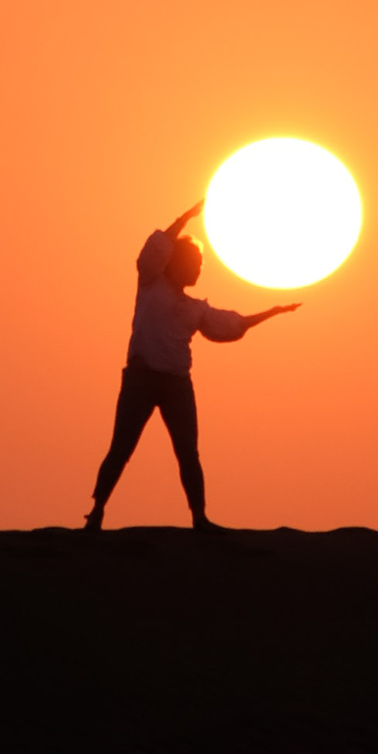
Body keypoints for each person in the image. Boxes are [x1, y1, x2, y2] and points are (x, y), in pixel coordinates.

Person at [84, 200, 297, 532]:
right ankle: (96, 512)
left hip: (177, 385)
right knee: (121, 448)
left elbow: (230, 324)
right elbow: (155, 250)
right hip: (141, 378)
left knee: (188, 453)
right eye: (195, 262)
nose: (199, 269)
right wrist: (184, 219)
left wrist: (271, 312)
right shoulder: (151, 283)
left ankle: (200, 518)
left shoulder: (195, 309)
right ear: (177, 264)